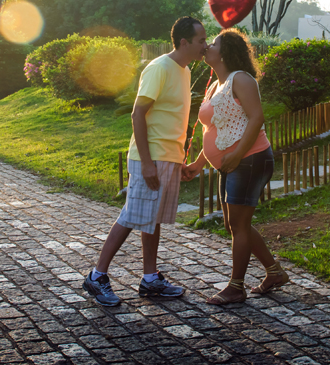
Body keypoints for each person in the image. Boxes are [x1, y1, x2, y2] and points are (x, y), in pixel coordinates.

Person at [82, 16, 207, 306]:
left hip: (168, 156)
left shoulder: (184, 70)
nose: (205, 45)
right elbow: (137, 114)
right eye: (201, 40)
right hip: (148, 157)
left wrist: (179, 158)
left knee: (152, 218)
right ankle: (97, 275)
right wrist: (149, 163)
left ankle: (150, 279)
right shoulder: (160, 67)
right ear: (185, 42)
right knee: (131, 215)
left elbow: (172, 117)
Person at [182, 28, 288, 304]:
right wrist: (198, 162)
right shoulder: (217, 84)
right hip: (231, 163)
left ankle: (236, 287)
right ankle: (274, 272)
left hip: (250, 159)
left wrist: (238, 154)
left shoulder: (241, 79)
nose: (207, 47)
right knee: (233, 225)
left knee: (239, 224)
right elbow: (218, 128)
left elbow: (256, 119)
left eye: (213, 43)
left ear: (226, 52)